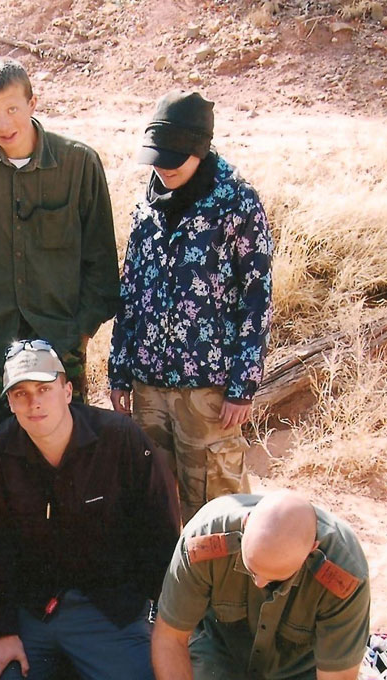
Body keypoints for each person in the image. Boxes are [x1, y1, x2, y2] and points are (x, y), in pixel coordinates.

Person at [0, 339, 181, 680]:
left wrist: (163, 622)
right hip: (34, 608)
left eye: (44, 389)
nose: (34, 403)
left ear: (67, 391)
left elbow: (162, 533)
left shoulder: (122, 439)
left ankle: (87, 665)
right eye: (21, 393)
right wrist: (3, 631)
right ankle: (65, 665)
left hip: (107, 605)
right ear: (10, 403)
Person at [0, 57, 119, 449]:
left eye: (12, 109)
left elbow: (102, 264)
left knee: (63, 467)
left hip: (59, 351)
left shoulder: (78, 165)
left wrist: (79, 336)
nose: (3, 125)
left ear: (33, 103)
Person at [109, 90, 273, 524]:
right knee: (151, 501)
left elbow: (256, 296)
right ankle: (161, 588)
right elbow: (131, 291)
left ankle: (223, 587)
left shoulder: (237, 202)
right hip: (148, 384)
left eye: (174, 158)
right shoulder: (146, 205)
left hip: (209, 389)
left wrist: (243, 384)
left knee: (216, 505)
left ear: (201, 149)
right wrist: (120, 371)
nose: (163, 168)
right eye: (157, 158)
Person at [153, 491, 373, 680]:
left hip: (303, 679)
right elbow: (169, 638)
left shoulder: (344, 571)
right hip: (224, 664)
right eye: (251, 568)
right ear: (246, 523)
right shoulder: (205, 538)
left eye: (275, 578)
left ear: (311, 550)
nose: (258, 583)